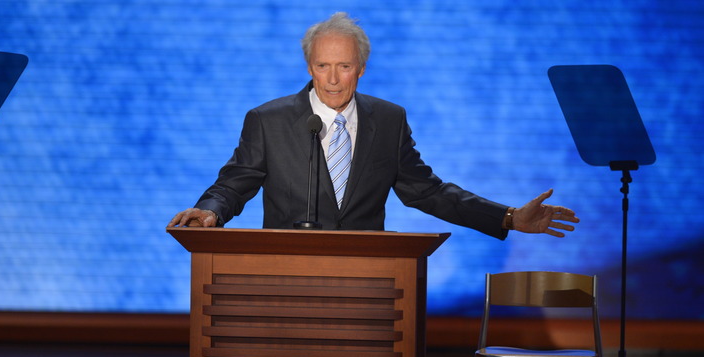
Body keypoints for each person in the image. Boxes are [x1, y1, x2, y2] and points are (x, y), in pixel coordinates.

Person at [168, 12, 579, 239]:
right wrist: (209, 211)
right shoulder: (268, 120)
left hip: (365, 282)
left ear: (360, 69)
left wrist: (507, 217)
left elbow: (429, 192)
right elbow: (234, 183)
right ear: (309, 67)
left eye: (343, 67)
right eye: (322, 66)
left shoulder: (389, 120)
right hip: (287, 276)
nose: (331, 79)